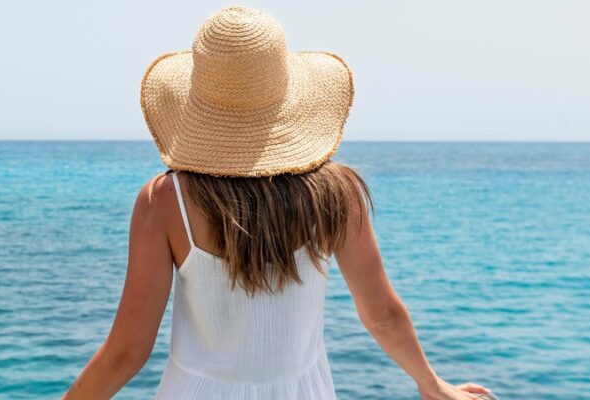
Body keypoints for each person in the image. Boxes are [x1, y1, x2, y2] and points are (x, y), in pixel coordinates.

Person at [63, 6, 493, 400]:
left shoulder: (165, 201)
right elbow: (381, 314)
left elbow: (127, 352)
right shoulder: (336, 195)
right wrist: (433, 385)